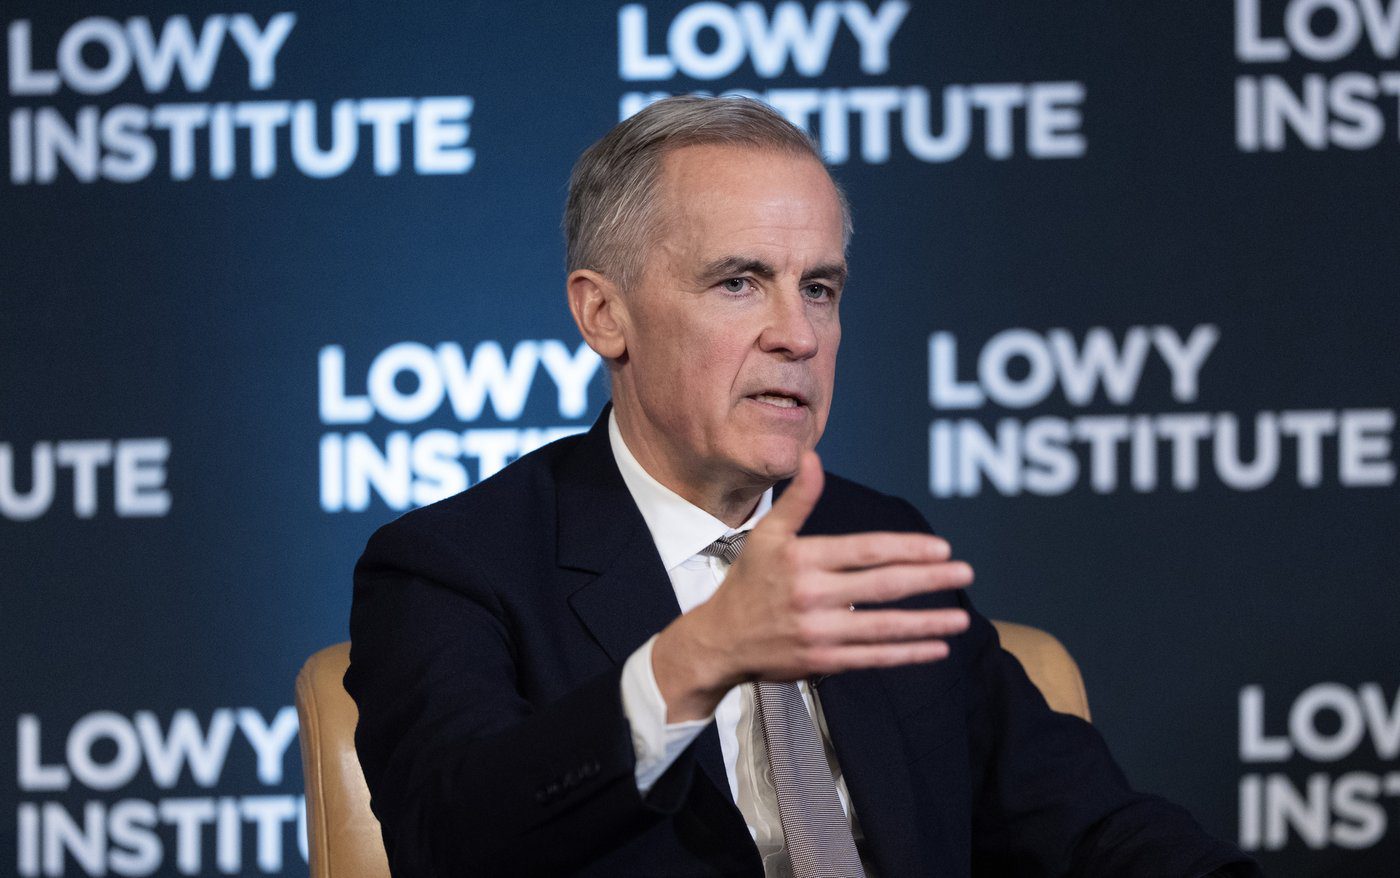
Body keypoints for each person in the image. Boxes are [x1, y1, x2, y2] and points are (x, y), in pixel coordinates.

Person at [346, 95, 1259, 877]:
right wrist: (695, 660)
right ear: (604, 314)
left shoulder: (873, 540)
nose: (799, 335)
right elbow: (451, 840)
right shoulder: (456, 568)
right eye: (739, 282)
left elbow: (1085, 826)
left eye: (818, 288)